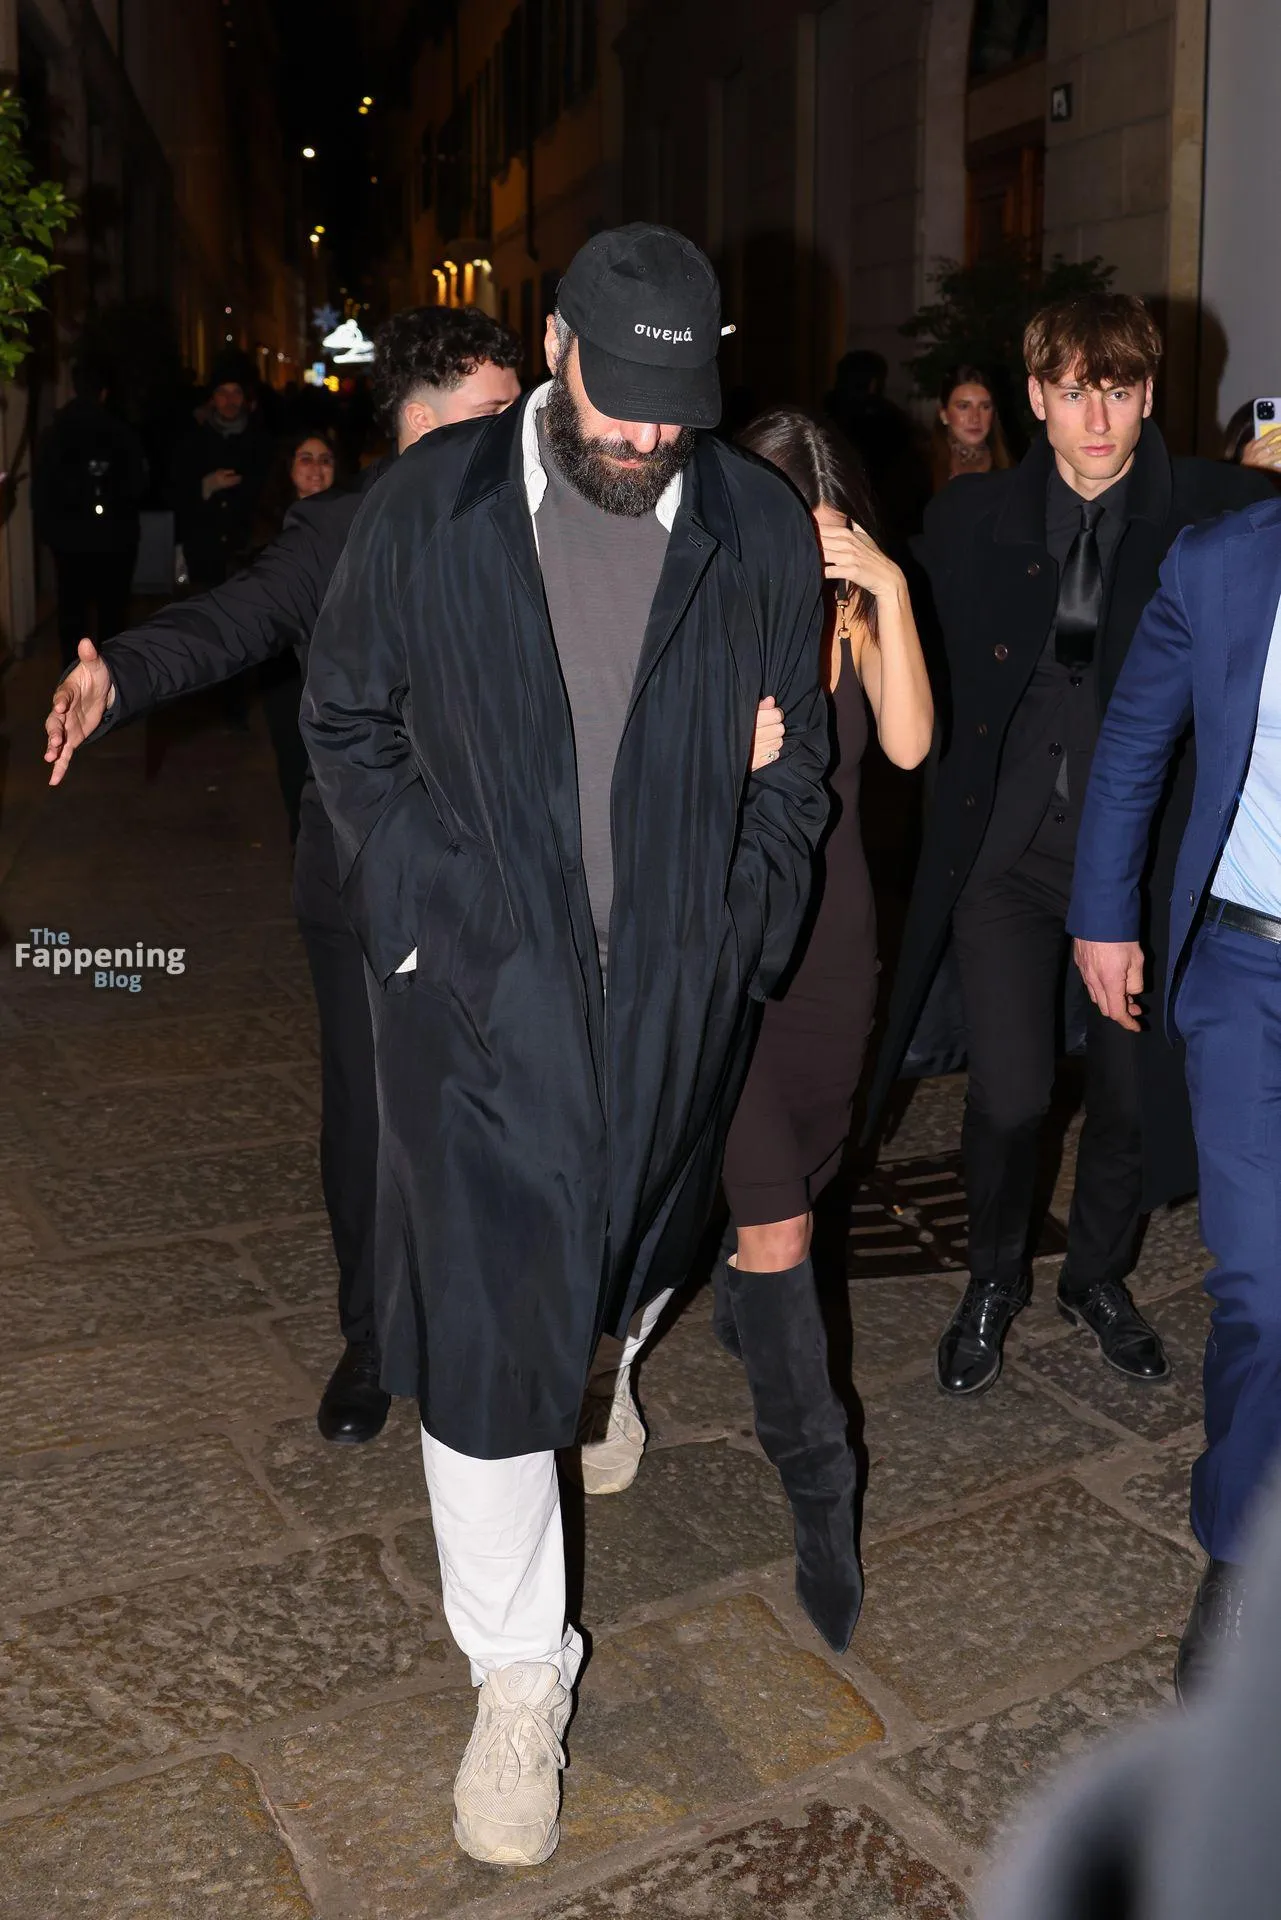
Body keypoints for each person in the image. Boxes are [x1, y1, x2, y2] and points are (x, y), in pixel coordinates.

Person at [299, 223, 831, 1868]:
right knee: (479, 1346)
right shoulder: (428, 509)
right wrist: (433, 921)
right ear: (553, 348)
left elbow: (798, 768)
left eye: (678, 410)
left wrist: (741, 928)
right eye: (619, 403)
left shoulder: (754, 526)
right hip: (480, 1001)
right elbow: (347, 721)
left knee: (625, 1256)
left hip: (671, 994)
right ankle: (520, 1680)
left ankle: (601, 1352)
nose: (646, 438)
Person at [42, 307, 525, 1450]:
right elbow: (233, 618)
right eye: (500, 413)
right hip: (366, 875)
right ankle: (373, 1339)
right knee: (372, 1117)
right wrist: (118, 677)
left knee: (504, 1111)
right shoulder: (338, 529)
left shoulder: (546, 521)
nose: (526, 430)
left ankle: (493, 1320)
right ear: (424, 425)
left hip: (509, 880)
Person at [866, 293, 1273, 1403]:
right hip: (1004, 856)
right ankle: (991, 1278)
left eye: (1121, 392)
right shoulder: (969, 519)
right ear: (1036, 397)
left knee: (1133, 1099)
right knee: (1008, 1097)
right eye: (1075, 393)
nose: (1099, 420)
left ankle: (1094, 1276)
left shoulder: (1217, 514)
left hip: (1140, 864)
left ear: (1150, 395)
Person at [578, 410, 933, 1658]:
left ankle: (724, 1284)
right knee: (778, 1219)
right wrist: (717, 753)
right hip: (719, 953)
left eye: (827, 542)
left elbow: (909, 745)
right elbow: (612, 777)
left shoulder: (857, 615)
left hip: (834, 955)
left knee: (802, 1186)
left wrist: (889, 590)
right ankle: (822, 1497)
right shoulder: (694, 614)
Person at [1069, 489, 1281, 1692]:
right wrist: (1104, 915)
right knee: (1265, 1284)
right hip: (1251, 970)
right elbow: (1133, 743)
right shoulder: (1219, 567)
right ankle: (1240, 1554)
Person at [244, 430, 342, 844]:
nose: (316, 469)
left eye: (325, 460)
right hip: (286, 669)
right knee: (295, 763)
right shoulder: (270, 530)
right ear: (288, 469)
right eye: (306, 458)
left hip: (339, 666)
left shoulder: (356, 521)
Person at [33, 359, 146, 669]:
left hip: (69, 538)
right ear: (104, 392)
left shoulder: (56, 431)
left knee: (72, 610)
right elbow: (138, 483)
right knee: (112, 611)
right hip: (114, 537)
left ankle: (72, 674)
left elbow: (42, 489)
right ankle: (112, 675)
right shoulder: (121, 430)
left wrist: (50, 532)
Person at [170, 349, 272, 591]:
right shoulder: (192, 441)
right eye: (222, 393)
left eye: (236, 392)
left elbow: (269, 493)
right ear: (212, 398)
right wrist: (205, 487)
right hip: (204, 555)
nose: (229, 400)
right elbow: (174, 492)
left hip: (248, 555)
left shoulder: (261, 441)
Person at [824, 349, 928, 538]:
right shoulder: (888, 418)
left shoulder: (823, 414)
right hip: (886, 514)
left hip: (834, 505)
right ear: (874, 383)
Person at [930, 364, 1013, 492]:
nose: (975, 418)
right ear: (944, 415)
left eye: (985, 407)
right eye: (963, 406)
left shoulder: (1012, 473)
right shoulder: (919, 471)